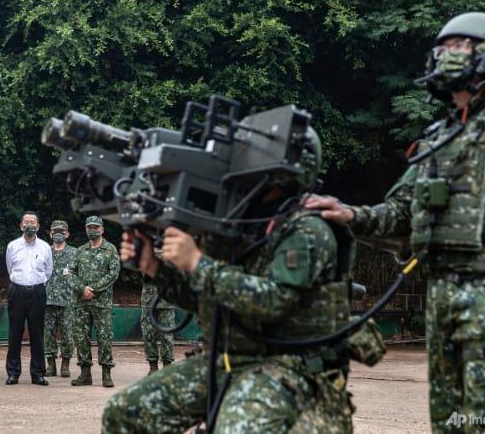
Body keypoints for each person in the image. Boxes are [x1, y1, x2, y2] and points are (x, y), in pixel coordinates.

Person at [305, 12, 485, 432]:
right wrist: (348, 214)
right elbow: (402, 215)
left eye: (461, 47)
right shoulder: (437, 138)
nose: (447, 55)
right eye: (443, 47)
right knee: (452, 421)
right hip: (442, 299)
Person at [103, 127, 362, 431]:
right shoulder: (239, 225)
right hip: (227, 358)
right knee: (124, 412)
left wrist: (198, 264)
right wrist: (156, 270)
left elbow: (272, 302)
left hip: (289, 366)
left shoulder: (308, 229)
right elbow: (207, 300)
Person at [69, 216, 120, 388]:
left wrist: (94, 290)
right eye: (89, 227)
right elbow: (70, 273)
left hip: (101, 303)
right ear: (85, 229)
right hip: (81, 303)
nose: (92, 230)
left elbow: (113, 273)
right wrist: (82, 289)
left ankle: (107, 373)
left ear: (102, 229)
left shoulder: (110, 249)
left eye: (96, 227)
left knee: (104, 338)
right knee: (81, 338)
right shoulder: (80, 251)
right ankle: (85, 374)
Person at [4, 211, 52, 386]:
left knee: (37, 333)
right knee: (14, 332)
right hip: (17, 291)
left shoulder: (45, 247)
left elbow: (48, 271)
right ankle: (13, 373)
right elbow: (10, 269)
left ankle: (38, 373)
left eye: (33, 222)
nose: (29, 225)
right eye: (26, 222)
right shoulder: (12, 246)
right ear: (21, 226)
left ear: (38, 226)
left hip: (37, 292)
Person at [44, 220, 77, 378]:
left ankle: (65, 364)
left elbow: (79, 276)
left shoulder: (75, 253)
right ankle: (50, 364)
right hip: (47, 300)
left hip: (68, 301)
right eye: (55, 231)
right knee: (48, 334)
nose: (58, 234)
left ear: (67, 234)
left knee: (68, 335)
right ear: (50, 234)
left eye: (62, 231)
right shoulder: (44, 251)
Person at [140, 281, 175, 375]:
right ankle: (153, 367)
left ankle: (167, 367)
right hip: (148, 299)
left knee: (167, 335)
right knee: (148, 334)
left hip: (166, 300)